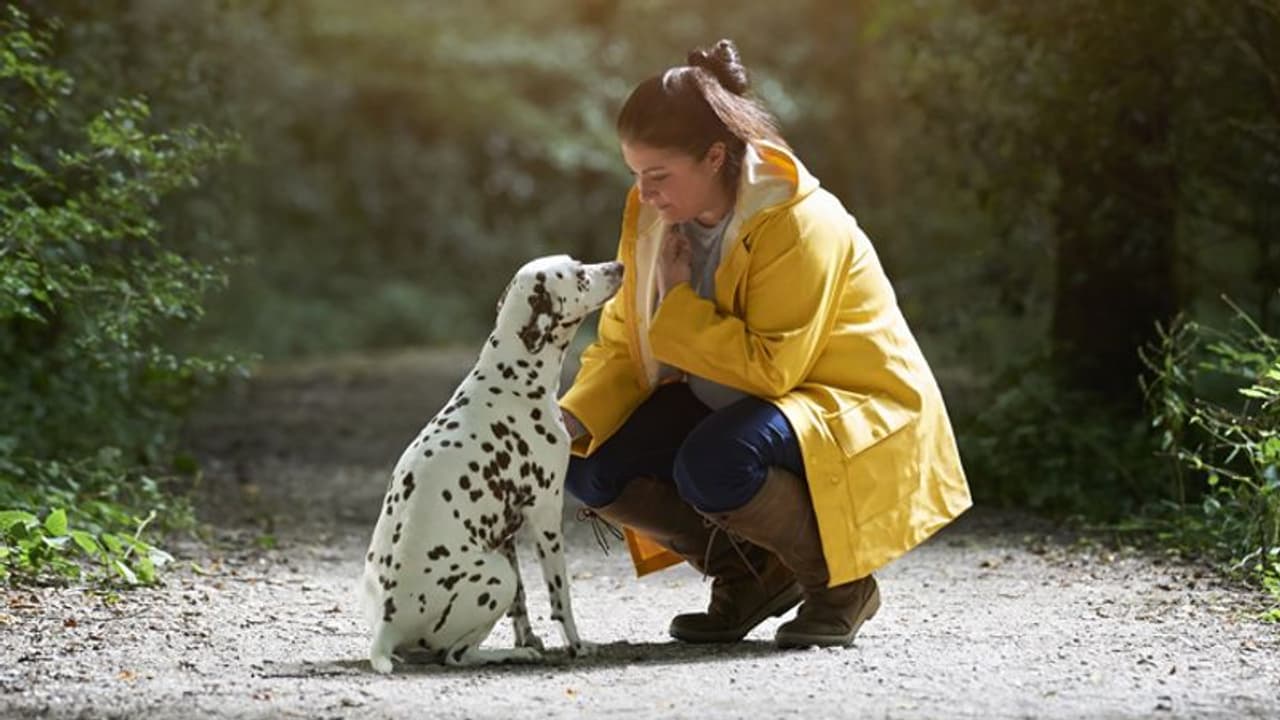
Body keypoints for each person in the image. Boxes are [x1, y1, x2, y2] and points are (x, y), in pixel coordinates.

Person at [557, 39, 971, 648]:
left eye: (658, 175)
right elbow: (623, 342)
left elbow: (774, 369)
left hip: (838, 400)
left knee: (714, 461)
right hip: (733, 398)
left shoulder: (800, 221)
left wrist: (677, 305)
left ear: (716, 156)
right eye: (635, 175)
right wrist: (564, 420)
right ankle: (751, 575)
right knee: (588, 463)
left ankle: (841, 583)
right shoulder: (651, 217)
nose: (645, 194)